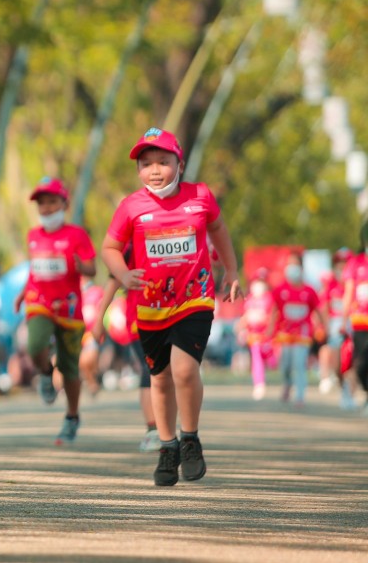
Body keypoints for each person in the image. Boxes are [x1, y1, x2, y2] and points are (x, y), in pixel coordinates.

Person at [102, 127, 242, 487]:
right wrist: (123, 273)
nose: (154, 170)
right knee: (160, 378)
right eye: (146, 164)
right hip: (149, 306)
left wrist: (232, 270)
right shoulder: (131, 206)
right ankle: (168, 446)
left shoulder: (201, 196)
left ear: (179, 162)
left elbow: (219, 229)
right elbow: (110, 248)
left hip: (194, 299)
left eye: (162, 161)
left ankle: (191, 438)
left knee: (183, 369)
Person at [13, 177, 96, 446]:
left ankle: (72, 416)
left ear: (64, 204)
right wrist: (23, 292)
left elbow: (92, 269)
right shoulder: (33, 235)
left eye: (52, 202)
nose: (47, 208)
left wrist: (79, 266)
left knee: (70, 367)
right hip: (40, 302)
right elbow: (35, 270)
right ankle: (46, 374)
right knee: (34, 343)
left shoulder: (77, 235)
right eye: (42, 204)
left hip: (70, 309)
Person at [91, 246, 159, 452]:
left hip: (172, 314)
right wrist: (99, 318)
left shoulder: (177, 229)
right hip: (140, 318)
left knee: (170, 372)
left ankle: (174, 429)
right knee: (151, 369)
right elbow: (114, 279)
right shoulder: (132, 243)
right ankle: (153, 430)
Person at [268, 252, 326, 408]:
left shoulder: (309, 290)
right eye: (289, 264)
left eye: (295, 264)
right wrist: (270, 328)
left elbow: (318, 310)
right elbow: (274, 310)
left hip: (303, 334)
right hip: (285, 334)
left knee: (299, 364)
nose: (291, 268)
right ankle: (287, 383)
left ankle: (300, 395)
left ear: (301, 267)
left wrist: (323, 327)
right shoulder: (281, 289)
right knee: (286, 364)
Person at [236, 268, 275, 401]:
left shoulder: (270, 298)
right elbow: (246, 316)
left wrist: (270, 331)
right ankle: (259, 384)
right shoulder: (249, 299)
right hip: (254, 335)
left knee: (270, 360)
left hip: (267, 336)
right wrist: (240, 328)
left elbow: (273, 316)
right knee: (256, 358)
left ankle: (269, 374)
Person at [318, 248, 351, 403]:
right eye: (339, 263)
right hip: (335, 324)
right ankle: (337, 380)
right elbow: (323, 305)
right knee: (336, 357)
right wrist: (325, 325)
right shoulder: (329, 283)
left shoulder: (358, 282)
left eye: (345, 263)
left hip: (356, 323)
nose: (342, 267)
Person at [341, 221, 368, 414]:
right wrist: (343, 319)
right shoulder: (355, 263)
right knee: (360, 361)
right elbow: (349, 292)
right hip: (360, 321)